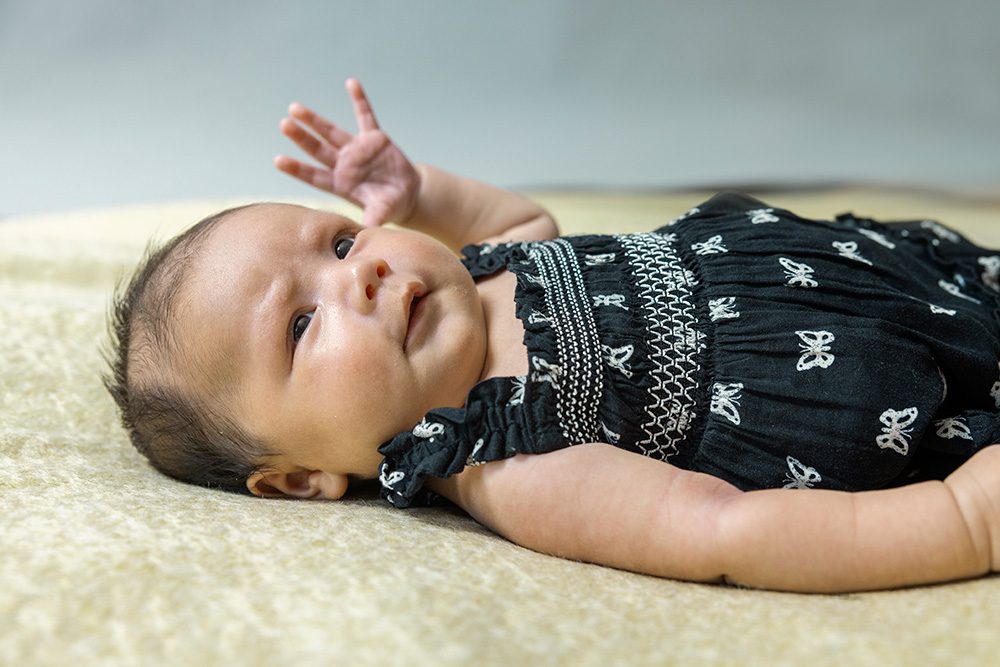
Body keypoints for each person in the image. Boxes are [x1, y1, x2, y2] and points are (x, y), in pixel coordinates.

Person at [105, 79, 1000, 593]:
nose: (361, 272)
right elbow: (723, 528)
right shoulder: (516, 466)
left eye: (340, 241)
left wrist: (416, 193)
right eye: (302, 325)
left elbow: (525, 217)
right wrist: (964, 522)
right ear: (304, 478)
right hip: (882, 398)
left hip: (878, 274)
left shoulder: (482, 271)